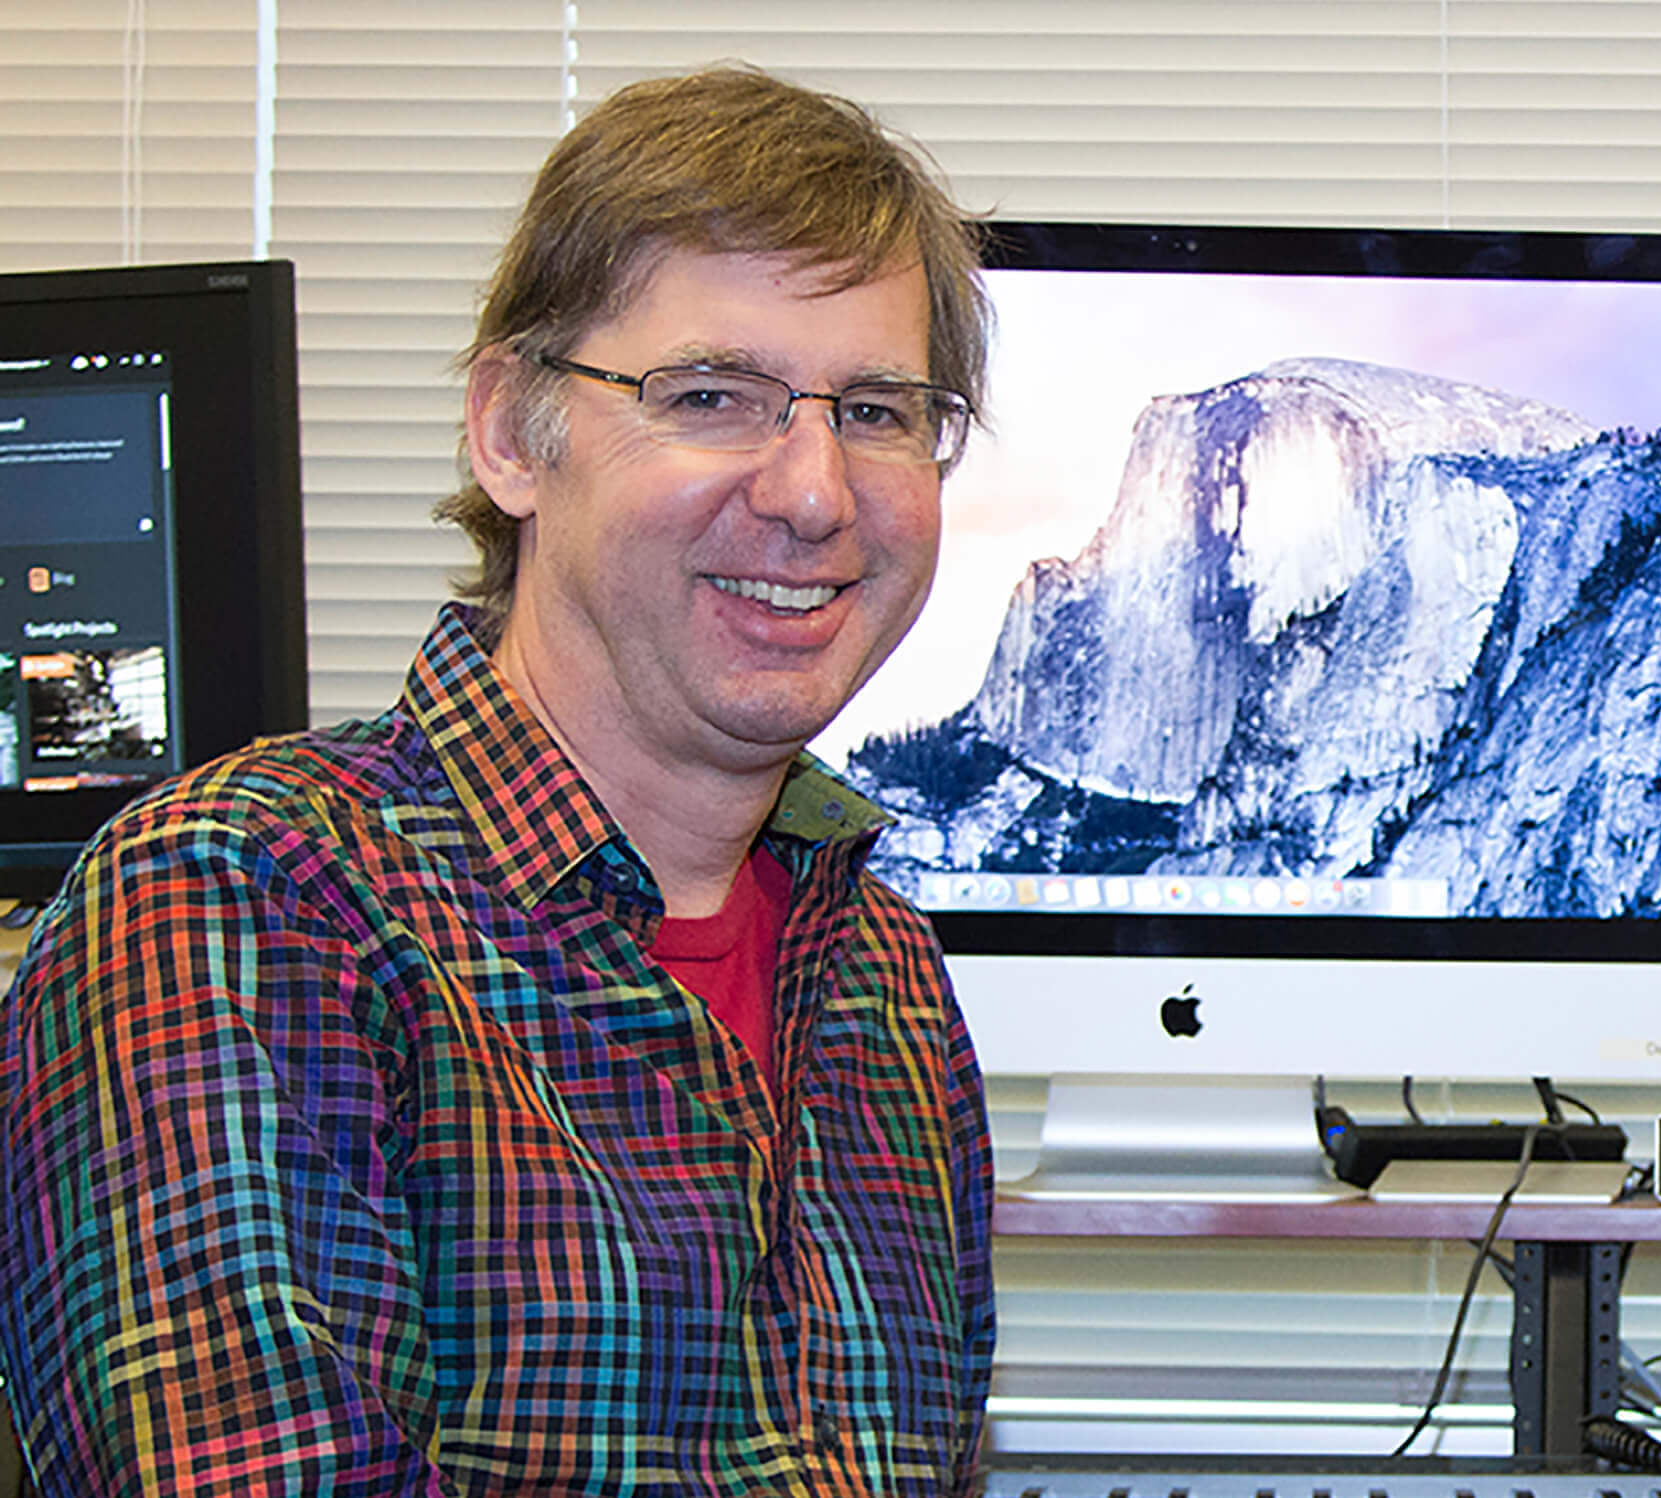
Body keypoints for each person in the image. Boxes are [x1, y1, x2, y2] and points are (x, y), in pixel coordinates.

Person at [0, 65, 997, 1496]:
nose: (813, 490)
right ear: (510, 433)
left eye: (879, 411)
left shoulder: (889, 983)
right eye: (711, 393)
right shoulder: (242, 907)